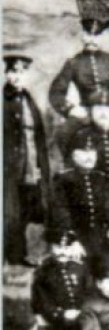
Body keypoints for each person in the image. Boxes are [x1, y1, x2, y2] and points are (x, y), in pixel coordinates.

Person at [5, 54, 52, 265]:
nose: (17, 76)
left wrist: (40, 166)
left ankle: (17, 255)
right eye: (13, 71)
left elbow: (37, 136)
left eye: (22, 72)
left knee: (23, 210)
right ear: (6, 74)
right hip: (8, 166)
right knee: (8, 210)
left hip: (30, 164)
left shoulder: (29, 100)